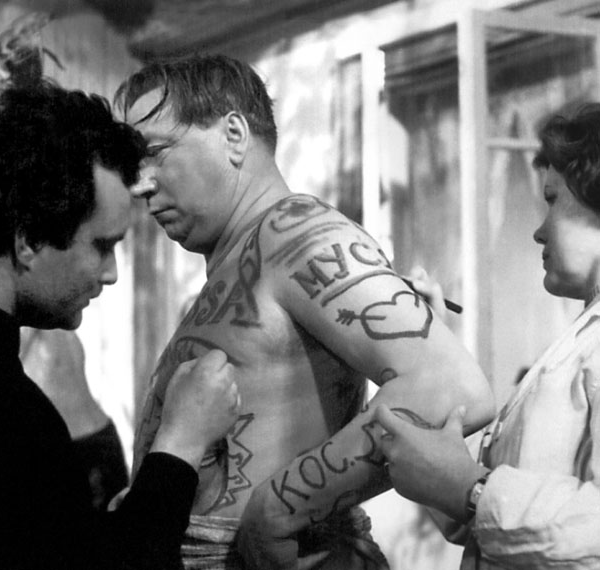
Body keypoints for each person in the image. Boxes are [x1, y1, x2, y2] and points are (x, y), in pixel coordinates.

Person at [114, 53, 495, 569]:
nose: (140, 185)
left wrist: (277, 509)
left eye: (156, 153)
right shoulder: (247, 254)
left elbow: (450, 385)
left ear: (233, 134)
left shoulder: (295, 231)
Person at [0, 81, 241, 570]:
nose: (112, 273)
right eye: (102, 246)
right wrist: (180, 445)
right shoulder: (2, 417)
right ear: (28, 240)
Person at [374, 103, 600, 569]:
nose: (539, 232)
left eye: (552, 199)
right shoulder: (581, 340)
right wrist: (432, 350)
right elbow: (480, 525)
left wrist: (472, 491)